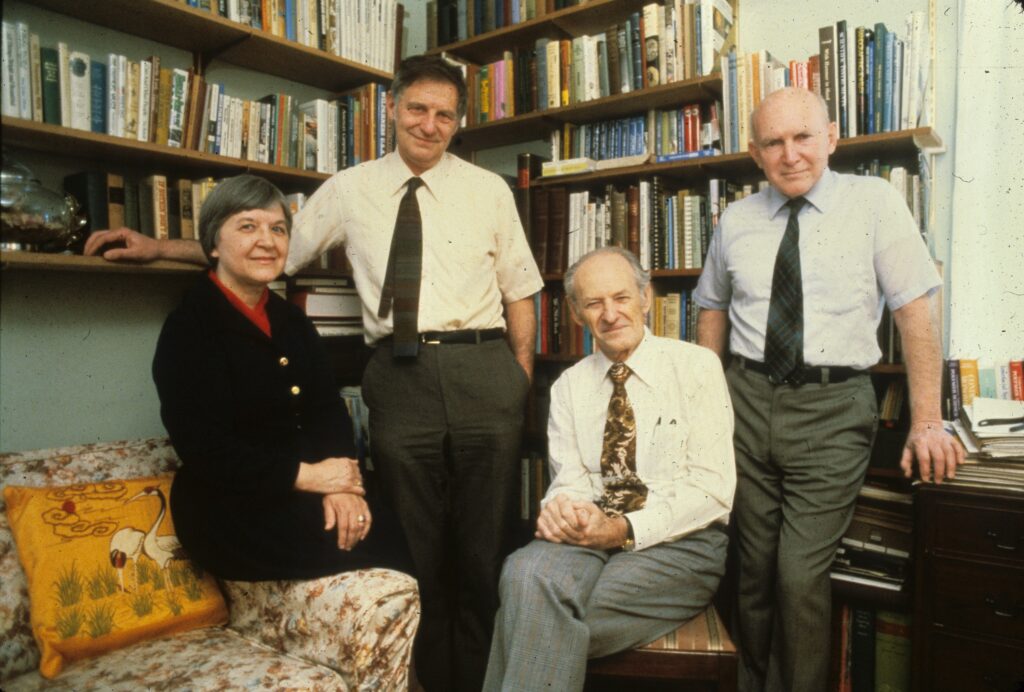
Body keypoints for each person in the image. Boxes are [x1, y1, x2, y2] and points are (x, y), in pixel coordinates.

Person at [85, 55, 543, 692]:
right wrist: (162, 247)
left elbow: (521, 288)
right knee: (415, 540)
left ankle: (485, 680)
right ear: (392, 108)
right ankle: (428, 681)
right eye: (417, 109)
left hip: (483, 365)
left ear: (458, 122)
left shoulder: (489, 190)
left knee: (483, 541)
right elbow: (272, 249)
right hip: (400, 373)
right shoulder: (350, 188)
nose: (429, 125)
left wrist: (518, 376)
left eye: (444, 115)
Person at [693, 87, 965, 692]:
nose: (790, 155)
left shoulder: (874, 203)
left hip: (832, 410)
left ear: (832, 138)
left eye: (803, 137)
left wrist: (927, 420)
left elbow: (916, 312)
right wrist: (705, 409)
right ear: (754, 152)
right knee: (753, 570)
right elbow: (710, 308)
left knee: (797, 574)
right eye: (774, 142)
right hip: (745, 403)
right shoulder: (736, 219)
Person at [152, 174, 417, 688]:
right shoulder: (190, 327)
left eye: (277, 228)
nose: (266, 240)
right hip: (228, 509)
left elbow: (326, 411)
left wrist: (341, 485)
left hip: (302, 489)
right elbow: (207, 450)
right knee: (377, 538)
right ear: (213, 243)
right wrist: (311, 480)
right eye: (247, 226)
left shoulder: (291, 321)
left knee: (388, 523)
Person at [483, 247, 735, 692]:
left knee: (526, 610)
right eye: (594, 303)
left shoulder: (696, 366)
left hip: (680, 544)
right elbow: (571, 481)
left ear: (645, 298)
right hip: (589, 537)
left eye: (620, 298)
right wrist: (564, 511)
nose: (610, 314)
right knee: (521, 572)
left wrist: (620, 530)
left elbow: (712, 492)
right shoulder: (569, 387)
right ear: (578, 314)